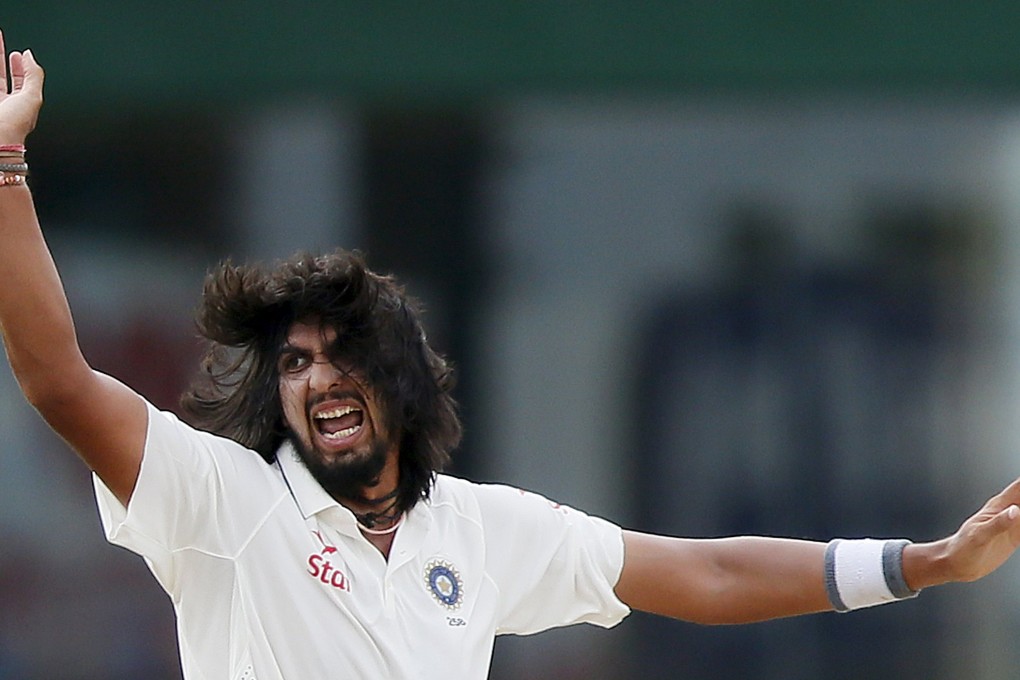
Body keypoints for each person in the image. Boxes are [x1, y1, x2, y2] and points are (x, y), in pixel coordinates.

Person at [2, 33, 1020, 680]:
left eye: (340, 352)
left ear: (399, 377)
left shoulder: (480, 529)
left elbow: (705, 570)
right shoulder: (225, 503)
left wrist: (919, 564)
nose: (315, 376)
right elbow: (58, 378)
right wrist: (4, 165)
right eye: (294, 363)